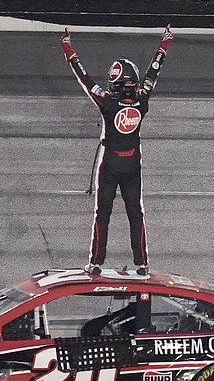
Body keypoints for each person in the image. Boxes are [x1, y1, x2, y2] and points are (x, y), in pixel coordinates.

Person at [59, 25, 173, 276]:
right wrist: (165, 43)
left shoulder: (107, 102)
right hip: (133, 165)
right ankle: (142, 264)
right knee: (136, 213)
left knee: (103, 214)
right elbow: (155, 70)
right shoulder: (143, 98)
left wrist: (68, 47)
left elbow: (85, 79)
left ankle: (96, 263)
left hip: (109, 165)